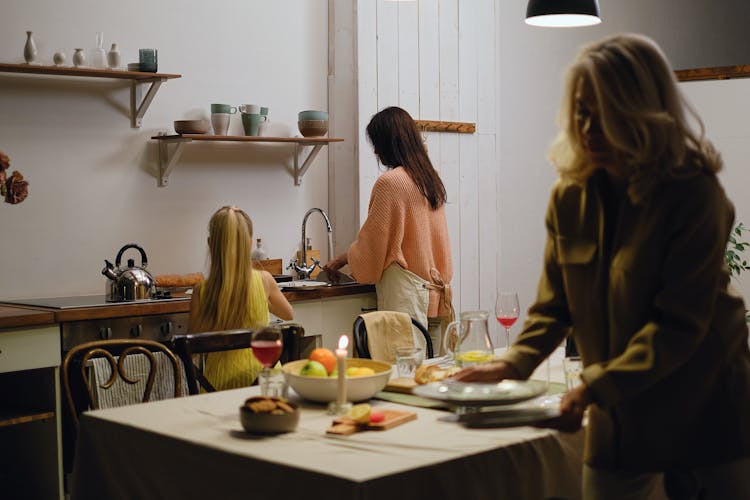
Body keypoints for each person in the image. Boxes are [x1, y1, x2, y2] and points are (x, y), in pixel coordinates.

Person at [454, 33, 750, 499]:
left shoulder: (694, 194)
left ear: (642, 112)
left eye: (604, 112)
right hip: (620, 410)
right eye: (580, 111)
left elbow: (679, 324)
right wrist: (513, 363)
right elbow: (554, 308)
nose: (589, 127)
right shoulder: (569, 196)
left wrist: (593, 387)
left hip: (705, 405)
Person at [324, 106, 454, 348]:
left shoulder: (390, 183)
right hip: (436, 294)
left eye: (376, 143)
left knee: (404, 371)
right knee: (433, 373)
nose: (375, 150)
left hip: (407, 296)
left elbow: (374, 247)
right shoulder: (429, 179)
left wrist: (346, 258)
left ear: (388, 143)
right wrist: (345, 257)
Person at [189, 205, 293, 390]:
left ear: (210, 243)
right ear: (250, 242)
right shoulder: (265, 281)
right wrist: (260, 299)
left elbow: (193, 348)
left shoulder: (200, 291)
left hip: (218, 386)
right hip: (266, 382)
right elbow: (288, 314)